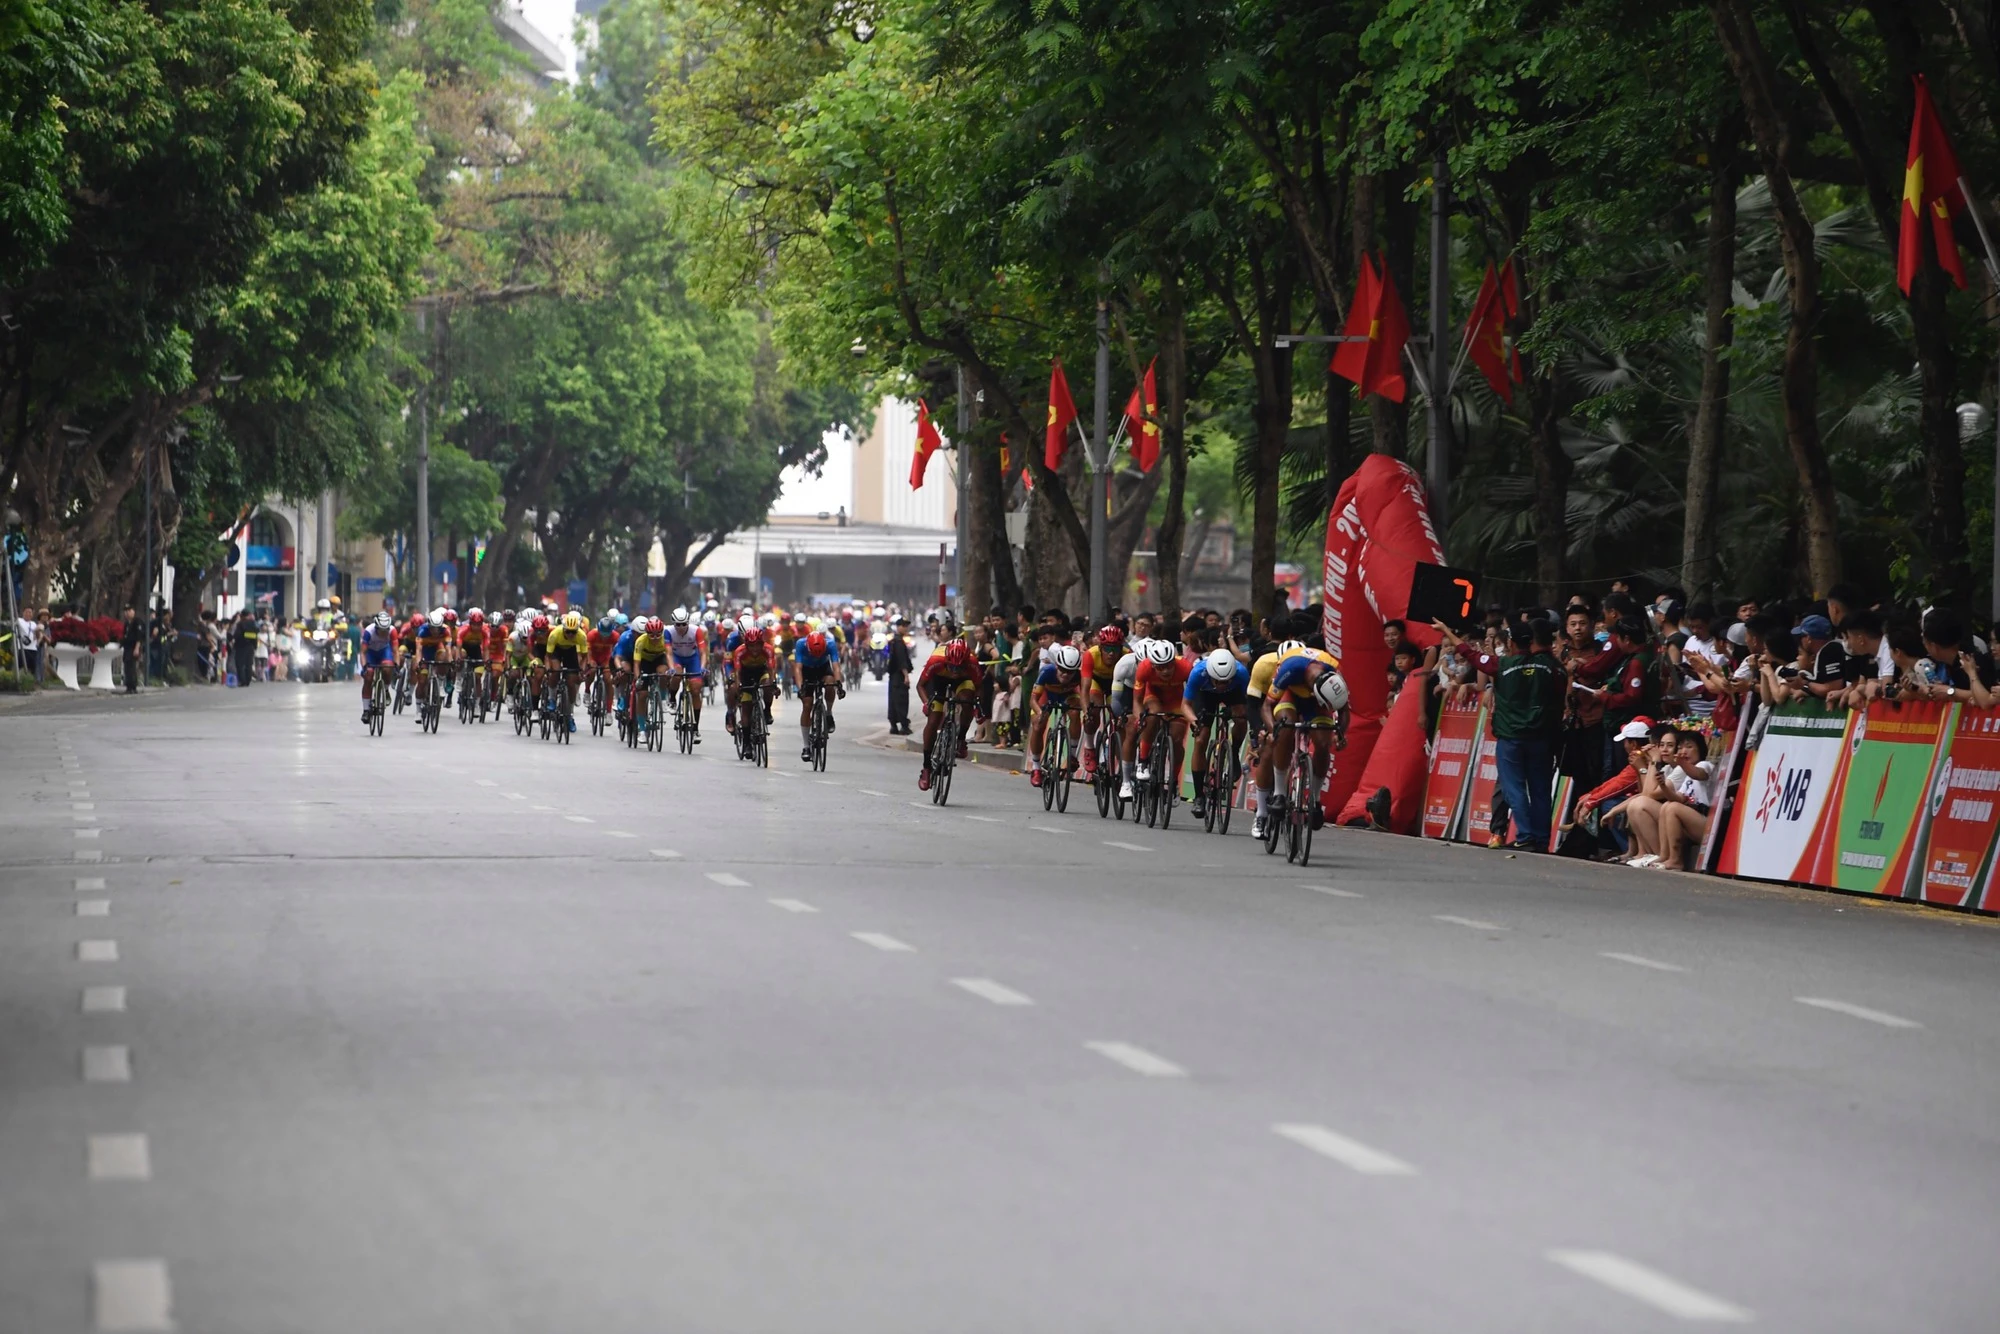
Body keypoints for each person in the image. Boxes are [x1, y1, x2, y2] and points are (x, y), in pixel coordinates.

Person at [1438, 617, 1565, 851]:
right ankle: (1540, 839)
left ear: (1511, 644)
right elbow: (1560, 694)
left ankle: (1525, 835)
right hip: (1541, 738)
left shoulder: (1502, 665)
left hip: (1511, 738)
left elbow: (1471, 655)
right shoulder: (1551, 667)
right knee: (1540, 789)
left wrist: (1447, 629)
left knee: (1513, 787)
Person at [1184, 647, 1249, 821]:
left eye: (1225, 681)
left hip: (1233, 695)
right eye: (1218, 681)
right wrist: (1193, 721)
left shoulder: (1241, 674)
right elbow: (1186, 705)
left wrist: (1235, 711)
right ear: (1210, 674)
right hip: (1205, 696)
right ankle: (1199, 796)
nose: (1221, 685)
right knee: (1200, 739)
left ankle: (1233, 751)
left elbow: (1248, 703)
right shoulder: (1198, 672)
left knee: (1242, 718)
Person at [914, 640, 983, 791]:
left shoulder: (972, 663)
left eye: (960, 668)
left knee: (967, 701)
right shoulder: (936, 660)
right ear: (947, 660)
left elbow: (978, 688)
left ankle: (961, 739)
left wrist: (975, 705)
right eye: (952, 667)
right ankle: (926, 768)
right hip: (938, 680)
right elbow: (920, 685)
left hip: (963, 682)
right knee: (933, 720)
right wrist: (926, 703)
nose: (955, 672)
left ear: (966, 663)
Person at [794, 628, 842, 760]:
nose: (816, 656)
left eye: (819, 653)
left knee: (830, 683)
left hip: (823, 669)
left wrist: (839, 684)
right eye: (813, 653)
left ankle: (829, 713)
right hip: (807, 671)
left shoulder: (830, 644)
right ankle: (805, 746)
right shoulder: (800, 644)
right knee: (807, 705)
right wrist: (800, 688)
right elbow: (797, 669)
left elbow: (836, 666)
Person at [886, 616, 914, 734]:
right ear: (898, 627)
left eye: (906, 626)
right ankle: (903, 726)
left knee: (893, 700)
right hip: (899, 676)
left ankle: (893, 726)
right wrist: (906, 676)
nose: (906, 628)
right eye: (904, 626)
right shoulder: (898, 642)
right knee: (901, 701)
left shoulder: (894, 640)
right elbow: (902, 661)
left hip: (893, 677)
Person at [120, 606, 141, 692]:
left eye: (129, 610)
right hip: (127, 647)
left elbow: (139, 637)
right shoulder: (127, 623)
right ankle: (128, 686)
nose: (127, 613)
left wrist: (137, 648)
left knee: (132, 667)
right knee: (127, 667)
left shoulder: (137, 622)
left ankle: (133, 686)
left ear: (133, 612)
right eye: (126, 611)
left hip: (133, 647)